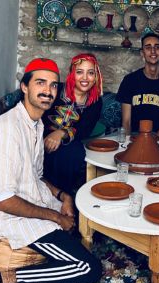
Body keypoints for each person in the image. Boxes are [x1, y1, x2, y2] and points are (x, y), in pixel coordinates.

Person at [0, 58, 102, 283]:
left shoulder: (36, 124)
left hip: (33, 198)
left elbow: (36, 176)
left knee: (89, 217)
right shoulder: (8, 131)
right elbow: (5, 202)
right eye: (40, 83)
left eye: (53, 85)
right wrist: (55, 217)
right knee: (89, 268)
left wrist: (64, 197)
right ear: (24, 87)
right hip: (11, 216)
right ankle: (0, 277)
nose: (48, 91)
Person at [42, 53, 103, 195]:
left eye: (91, 73)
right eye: (80, 72)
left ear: (96, 77)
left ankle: (64, 196)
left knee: (74, 151)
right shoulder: (56, 90)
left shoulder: (95, 101)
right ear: (71, 74)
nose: (85, 78)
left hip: (68, 142)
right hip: (41, 135)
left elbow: (84, 130)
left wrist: (61, 133)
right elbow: (40, 113)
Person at [116, 32, 159, 137]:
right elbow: (126, 123)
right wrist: (129, 145)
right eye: (148, 47)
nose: (153, 51)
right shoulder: (129, 81)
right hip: (133, 136)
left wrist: (150, 148)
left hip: (157, 138)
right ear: (142, 53)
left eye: (157, 47)